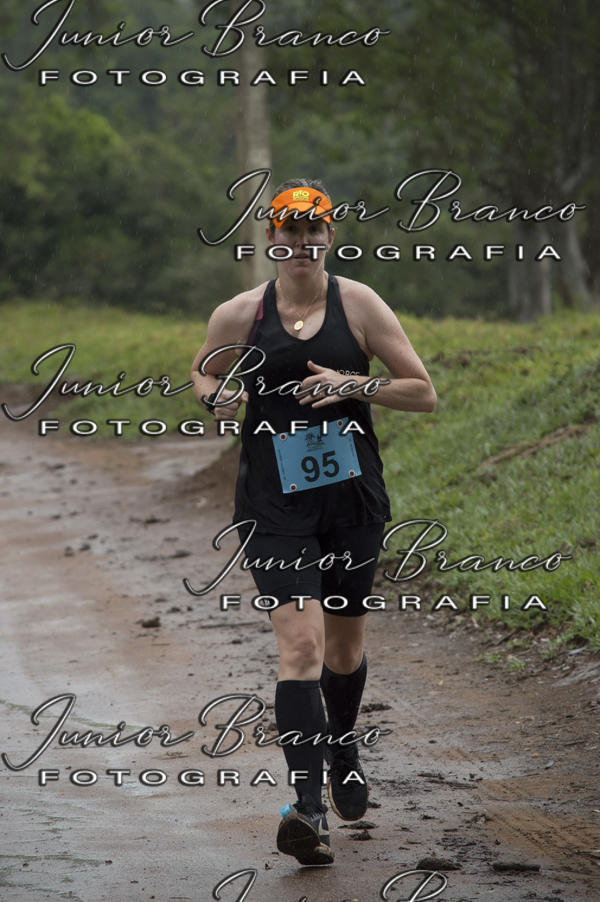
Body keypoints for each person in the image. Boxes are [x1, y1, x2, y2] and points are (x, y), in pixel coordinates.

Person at [191, 178, 436, 867]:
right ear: (271, 237)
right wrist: (216, 396)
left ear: (330, 236)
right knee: (300, 645)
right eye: (289, 231)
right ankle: (306, 810)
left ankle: (343, 746)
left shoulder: (359, 305)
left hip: (350, 500)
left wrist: (351, 384)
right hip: (272, 504)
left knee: (343, 651)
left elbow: (423, 392)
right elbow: (203, 374)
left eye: (313, 231)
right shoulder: (239, 314)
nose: (301, 242)